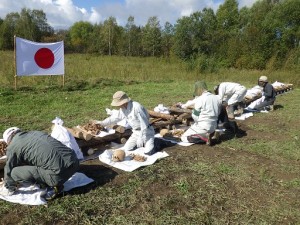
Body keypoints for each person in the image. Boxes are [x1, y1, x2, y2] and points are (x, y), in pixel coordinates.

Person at [0, 127, 79, 201]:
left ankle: (49, 186)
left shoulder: (13, 146)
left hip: (58, 175)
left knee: (15, 172)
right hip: (75, 163)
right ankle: (55, 178)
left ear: (8, 141)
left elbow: (9, 169)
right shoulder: (35, 133)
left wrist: (9, 188)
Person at [92, 91, 173, 155]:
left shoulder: (137, 107)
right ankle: (148, 143)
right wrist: (102, 123)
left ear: (124, 101)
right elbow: (115, 118)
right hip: (135, 132)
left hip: (146, 132)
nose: (117, 106)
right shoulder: (123, 108)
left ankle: (158, 142)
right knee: (127, 149)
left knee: (148, 153)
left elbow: (144, 124)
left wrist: (142, 137)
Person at [180, 81, 221, 145]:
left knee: (184, 137)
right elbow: (218, 112)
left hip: (203, 126)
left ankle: (206, 139)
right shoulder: (217, 98)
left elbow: (195, 116)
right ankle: (212, 135)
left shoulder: (200, 99)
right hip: (214, 125)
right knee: (201, 130)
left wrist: (197, 123)